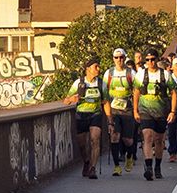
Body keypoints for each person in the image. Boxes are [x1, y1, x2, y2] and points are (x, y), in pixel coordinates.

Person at [65, 56, 106, 179]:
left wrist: (110, 119)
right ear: (88, 69)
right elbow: (66, 101)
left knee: (95, 139)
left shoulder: (101, 83)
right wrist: (72, 99)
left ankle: (93, 168)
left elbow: (105, 102)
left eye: (98, 66)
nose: (98, 69)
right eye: (96, 67)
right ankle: (86, 162)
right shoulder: (78, 83)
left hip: (96, 114)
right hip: (81, 115)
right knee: (82, 144)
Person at [134, 49, 169, 182]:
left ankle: (157, 166)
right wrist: (135, 110)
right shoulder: (141, 74)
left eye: (153, 59)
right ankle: (148, 167)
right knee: (147, 136)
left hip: (161, 111)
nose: (150, 62)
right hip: (145, 110)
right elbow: (136, 92)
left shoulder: (165, 74)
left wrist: (172, 111)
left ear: (157, 59)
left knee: (159, 140)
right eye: (147, 60)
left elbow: (173, 93)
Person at [102, 48, 137, 176]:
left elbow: (137, 90)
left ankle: (129, 156)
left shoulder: (131, 73)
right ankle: (117, 166)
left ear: (125, 58)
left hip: (127, 109)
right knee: (114, 136)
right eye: (116, 57)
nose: (119, 60)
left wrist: (137, 108)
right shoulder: (109, 73)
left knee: (128, 140)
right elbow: (104, 90)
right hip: (114, 109)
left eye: (121, 57)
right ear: (113, 59)